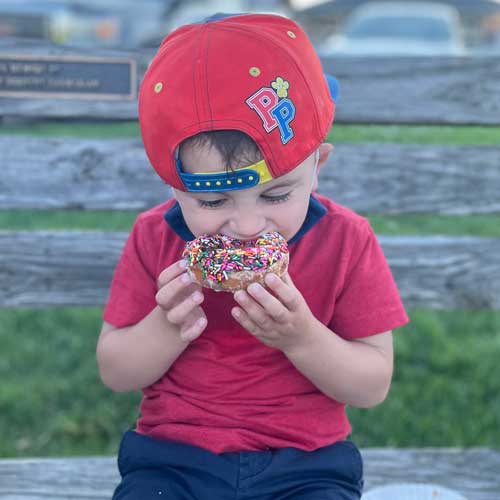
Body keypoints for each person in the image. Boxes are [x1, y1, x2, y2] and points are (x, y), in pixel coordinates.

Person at [97, 12, 409, 500]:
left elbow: (371, 387)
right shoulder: (154, 238)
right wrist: (166, 326)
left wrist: (302, 337)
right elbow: (116, 373)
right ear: (173, 189)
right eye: (213, 203)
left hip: (307, 464)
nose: (246, 227)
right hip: (174, 461)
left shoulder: (347, 241)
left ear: (317, 167)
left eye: (277, 195)